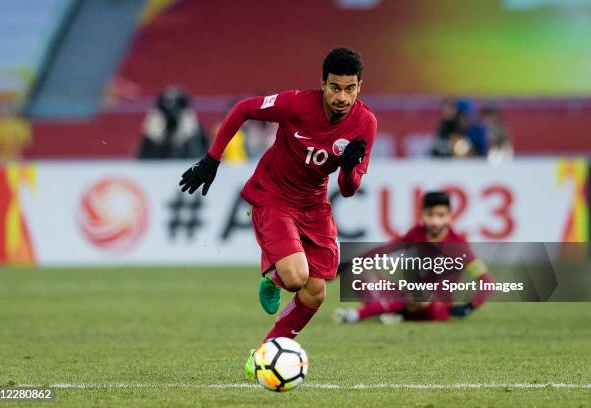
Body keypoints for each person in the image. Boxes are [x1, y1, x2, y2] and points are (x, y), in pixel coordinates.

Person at [178, 47, 377, 375]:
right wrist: (212, 159)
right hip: (274, 197)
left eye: (350, 88)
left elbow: (348, 188)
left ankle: (262, 354)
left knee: (316, 293)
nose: (342, 96)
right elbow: (243, 109)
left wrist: (348, 166)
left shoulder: (365, 123)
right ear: (323, 84)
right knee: (297, 277)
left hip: (314, 205)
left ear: (359, 87)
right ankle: (276, 277)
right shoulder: (297, 104)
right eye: (335, 87)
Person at [333, 191, 494, 324]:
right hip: (409, 297)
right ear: (422, 214)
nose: (435, 221)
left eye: (441, 215)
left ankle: (359, 314)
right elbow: (385, 249)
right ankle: (389, 311)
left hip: (435, 308)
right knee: (360, 273)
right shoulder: (417, 233)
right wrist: (351, 263)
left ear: (449, 217)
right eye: (430, 215)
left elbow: (487, 282)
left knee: (421, 296)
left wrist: (470, 306)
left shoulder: (459, 245)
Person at [138, 87, 207, 159]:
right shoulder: (156, 116)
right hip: (157, 160)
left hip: (185, 158)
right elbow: (152, 136)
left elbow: (200, 153)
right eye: (166, 107)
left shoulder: (189, 120)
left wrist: (183, 137)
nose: (171, 112)